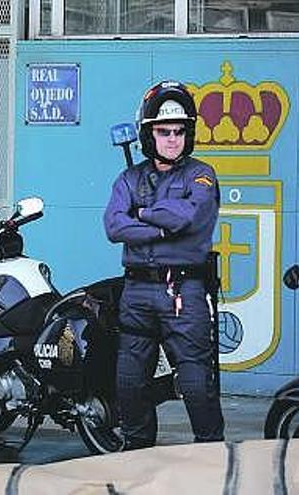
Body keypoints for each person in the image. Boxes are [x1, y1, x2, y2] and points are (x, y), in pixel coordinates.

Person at [103, 80, 224, 450]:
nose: (172, 138)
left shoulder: (201, 175)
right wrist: (160, 224)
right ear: (148, 134)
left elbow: (187, 217)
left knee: (194, 383)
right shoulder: (129, 178)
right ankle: (137, 463)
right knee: (129, 384)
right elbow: (113, 225)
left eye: (179, 131)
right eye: (163, 131)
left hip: (183, 293)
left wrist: (140, 215)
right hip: (137, 291)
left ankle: (212, 457)